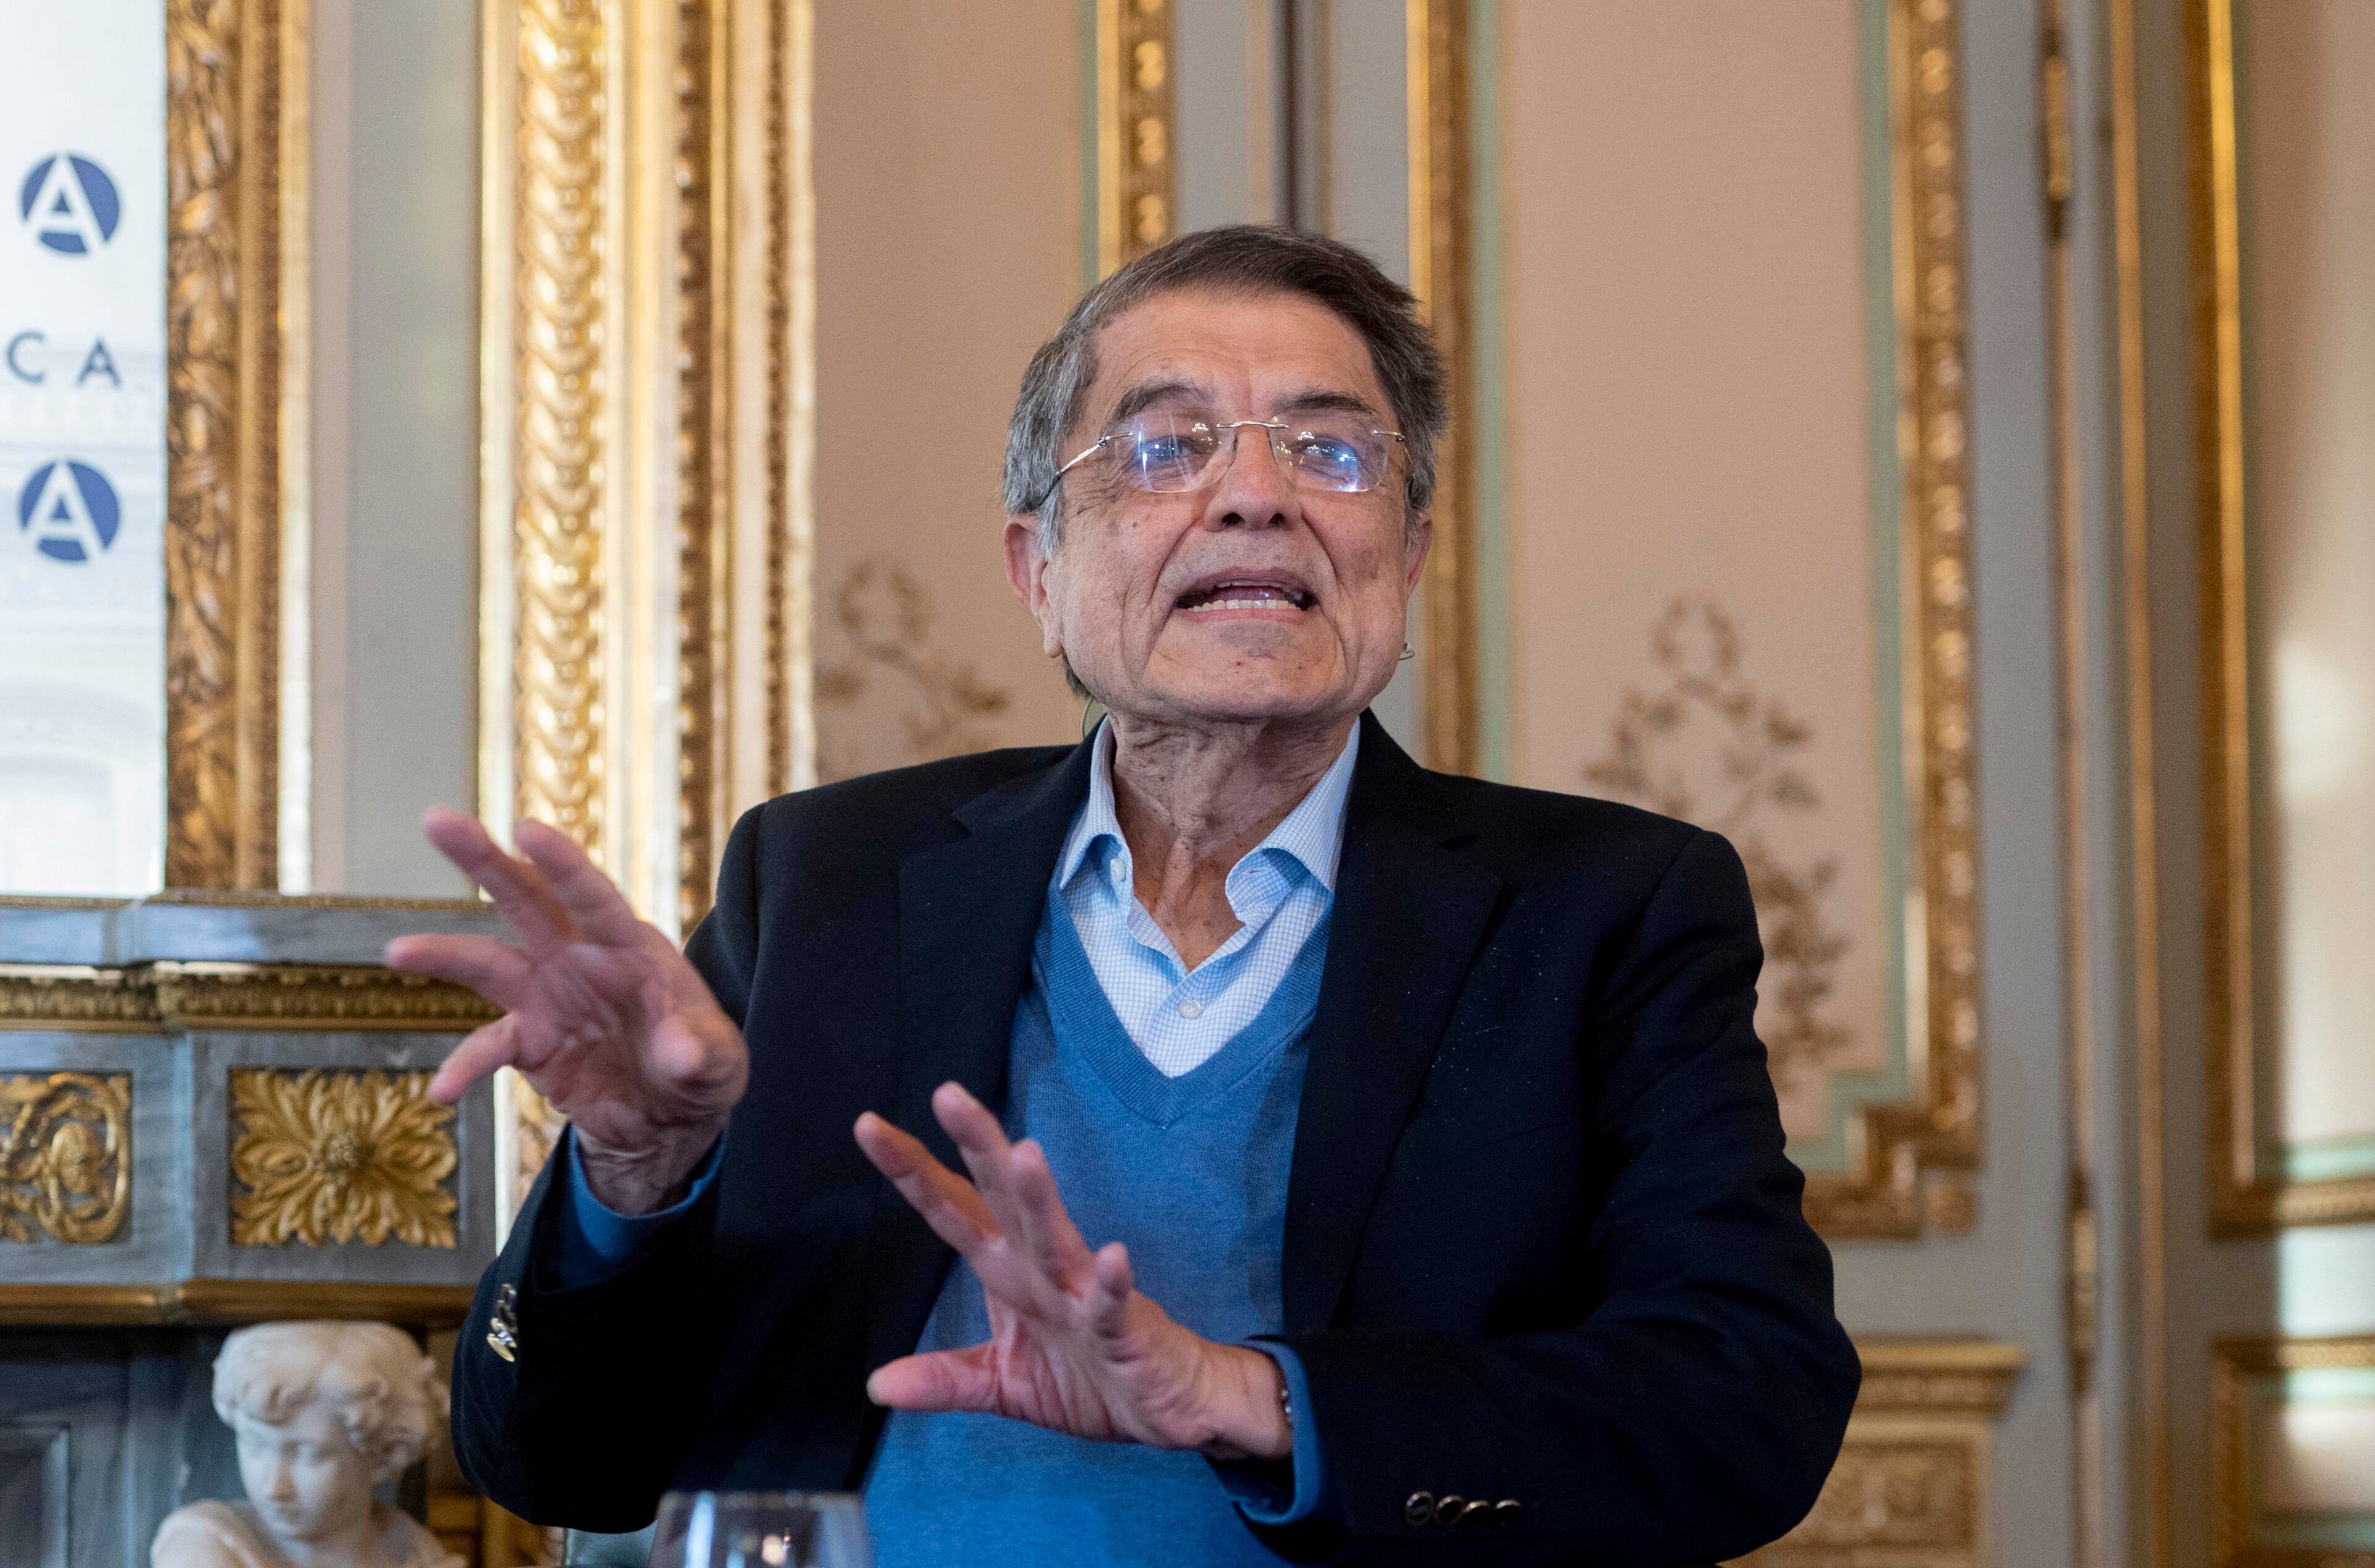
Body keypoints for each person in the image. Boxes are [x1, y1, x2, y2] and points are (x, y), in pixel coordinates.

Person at [396, 224, 1859, 1566]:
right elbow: (554, 1460)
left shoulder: (1606, 911)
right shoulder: (827, 882)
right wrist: (635, 1172)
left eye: (1331, 451)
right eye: (1166, 447)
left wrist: (1247, 1395)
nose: (1256, 495)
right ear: (1038, 568)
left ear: (1406, 558)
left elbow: (1744, 1403)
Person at [152, 1321, 461, 1568]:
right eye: (254, 1446)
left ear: (381, 1453)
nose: (274, 1487)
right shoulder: (205, 1545)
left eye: (308, 1455)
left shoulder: (413, 1551)